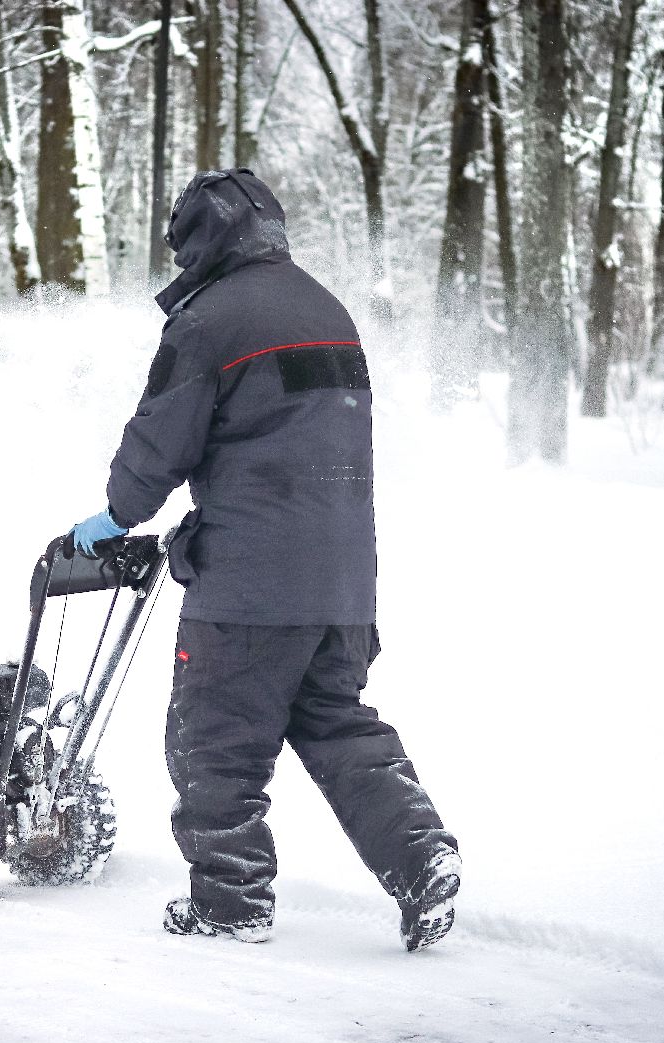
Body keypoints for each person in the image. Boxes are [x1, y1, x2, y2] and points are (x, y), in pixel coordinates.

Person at [70, 169, 460, 952]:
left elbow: (163, 436)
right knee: (335, 724)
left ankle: (230, 903)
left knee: (214, 741)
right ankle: (422, 857)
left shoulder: (210, 320)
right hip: (345, 586)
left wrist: (116, 515)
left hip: (248, 592)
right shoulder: (328, 310)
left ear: (203, 239)